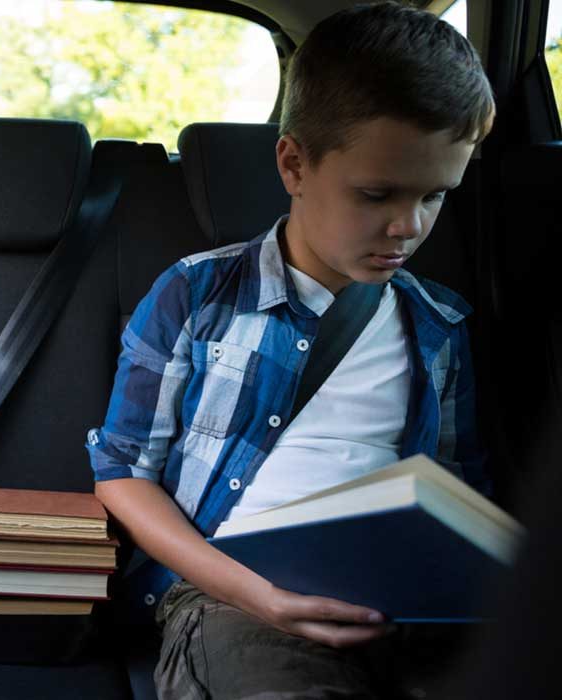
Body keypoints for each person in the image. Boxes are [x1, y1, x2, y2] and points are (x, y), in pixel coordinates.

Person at [85, 3, 497, 697]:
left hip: (402, 609)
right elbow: (122, 471)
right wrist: (257, 594)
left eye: (436, 195)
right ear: (294, 164)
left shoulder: (439, 327)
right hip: (236, 601)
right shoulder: (198, 296)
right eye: (377, 193)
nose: (409, 225)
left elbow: (456, 490)